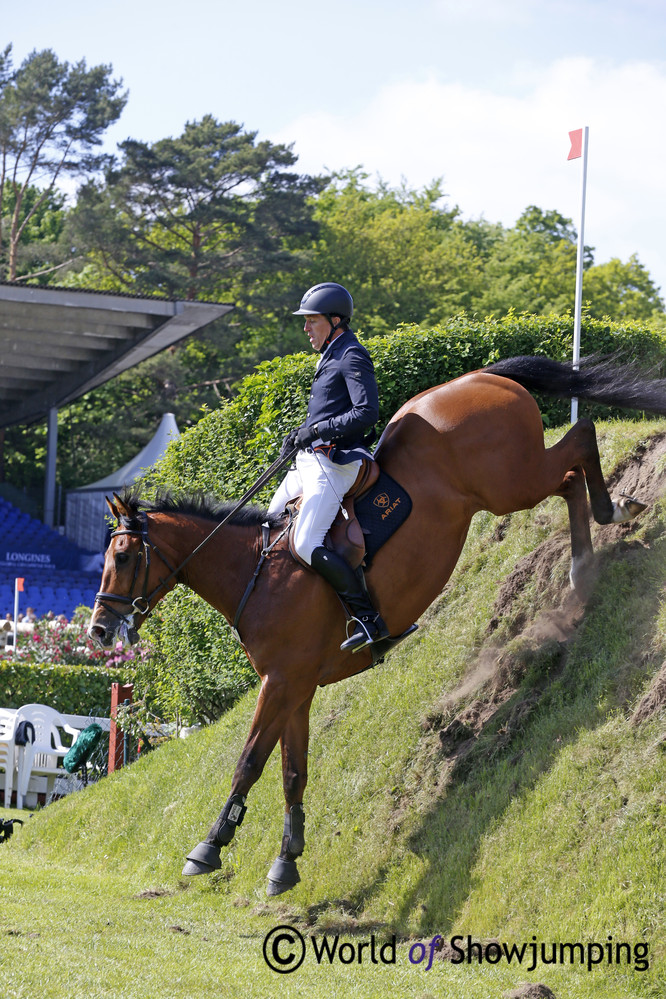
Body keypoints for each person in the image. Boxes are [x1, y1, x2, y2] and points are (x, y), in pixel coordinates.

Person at [268, 282, 390, 652]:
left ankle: (369, 621)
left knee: (305, 542)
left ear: (335, 320)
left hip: (336, 464)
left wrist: (318, 430)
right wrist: (301, 434)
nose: (305, 328)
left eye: (312, 321)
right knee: (268, 524)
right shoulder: (330, 353)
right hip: (310, 459)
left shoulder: (352, 354)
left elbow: (367, 412)